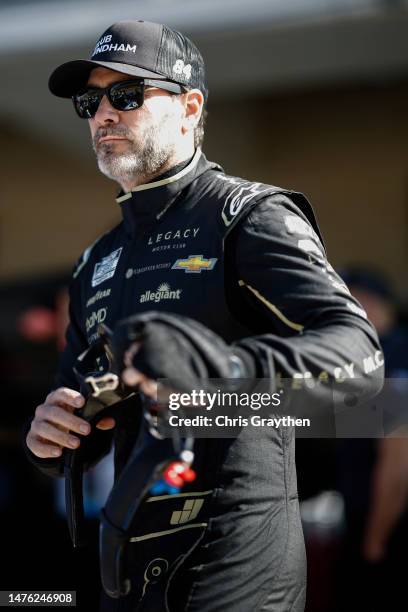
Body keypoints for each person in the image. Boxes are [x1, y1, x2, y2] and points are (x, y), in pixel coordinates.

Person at [23, 20, 383, 612]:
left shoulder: (248, 214)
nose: (103, 115)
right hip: (127, 568)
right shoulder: (97, 261)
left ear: (189, 108)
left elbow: (360, 362)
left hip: (239, 563)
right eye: (91, 102)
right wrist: (54, 438)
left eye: (128, 95)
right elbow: (76, 416)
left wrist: (218, 378)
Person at [335, 267, 408, 612]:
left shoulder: (395, 357)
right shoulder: (373, 359)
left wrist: (374, 542)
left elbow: (398, 462)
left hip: (385, 536)